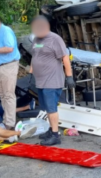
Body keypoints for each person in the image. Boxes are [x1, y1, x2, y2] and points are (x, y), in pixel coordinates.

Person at [30, 16, 74, 146]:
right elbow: (35, 55)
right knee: (46, 108)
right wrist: (32, 70)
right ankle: (51, 129)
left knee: (51, 108)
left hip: (52, 80)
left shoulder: (55, 39)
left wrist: (69, 76)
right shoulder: (36, 39)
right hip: (40, 80)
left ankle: (55, 135)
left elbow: (65, 58)